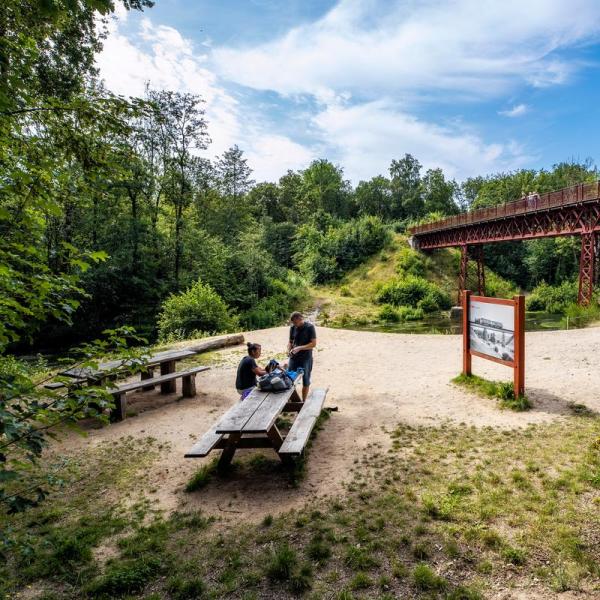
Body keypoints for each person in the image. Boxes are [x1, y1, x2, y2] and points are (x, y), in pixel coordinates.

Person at [287, 311, 317, 401]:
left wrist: (300, 348)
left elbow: (313, 344)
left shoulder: (310, 327)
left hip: (306, 358)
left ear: (301, 319)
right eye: (293, 323)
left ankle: (303, 401)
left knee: (306, 380)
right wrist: (289, 350)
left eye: (296, 323)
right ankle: (291, 401)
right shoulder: (292, 328)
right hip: (293, 358)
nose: (295, 325)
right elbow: (290, 342)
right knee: (289, 379)